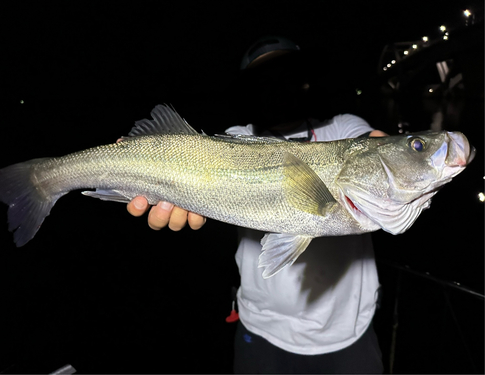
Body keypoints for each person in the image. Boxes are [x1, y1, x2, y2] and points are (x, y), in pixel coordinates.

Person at [126, 36, 386, 373]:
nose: (276, 87)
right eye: (263, 80)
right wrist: (140, 157)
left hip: (350, 333)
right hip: (260, 332)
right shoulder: (236, 139)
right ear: (249, 91)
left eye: (286, 74)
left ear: (305, 80)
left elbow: (374, 147)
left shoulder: (342, 130)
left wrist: (409, 156)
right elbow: (191, 157)